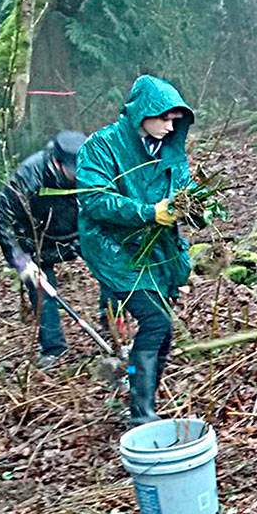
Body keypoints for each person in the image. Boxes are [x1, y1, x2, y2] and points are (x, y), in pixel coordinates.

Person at [76, 75, 196, 428]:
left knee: (163, 330)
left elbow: (183, 188)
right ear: (142, 113)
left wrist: (195, 206)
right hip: (113, 250)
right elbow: (94, 199)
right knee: (156, 320)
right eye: (163, 118)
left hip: (154, 250)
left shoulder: (169, 150)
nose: (169, 126)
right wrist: (147, 212)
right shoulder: (102, 146)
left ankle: (141, 396)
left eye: (176, 120)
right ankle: (140, 415)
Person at [0, 131, 87, 367]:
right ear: (57, 162)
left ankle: (113, 327)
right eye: (75, 171)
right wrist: (22, 261)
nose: (81, 176)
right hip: (37, 240)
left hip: (80, 231)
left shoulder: (95, 166)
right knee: (41, 288)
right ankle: (54, 349)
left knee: (111, 269)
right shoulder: (29, 174)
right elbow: (0, 219)